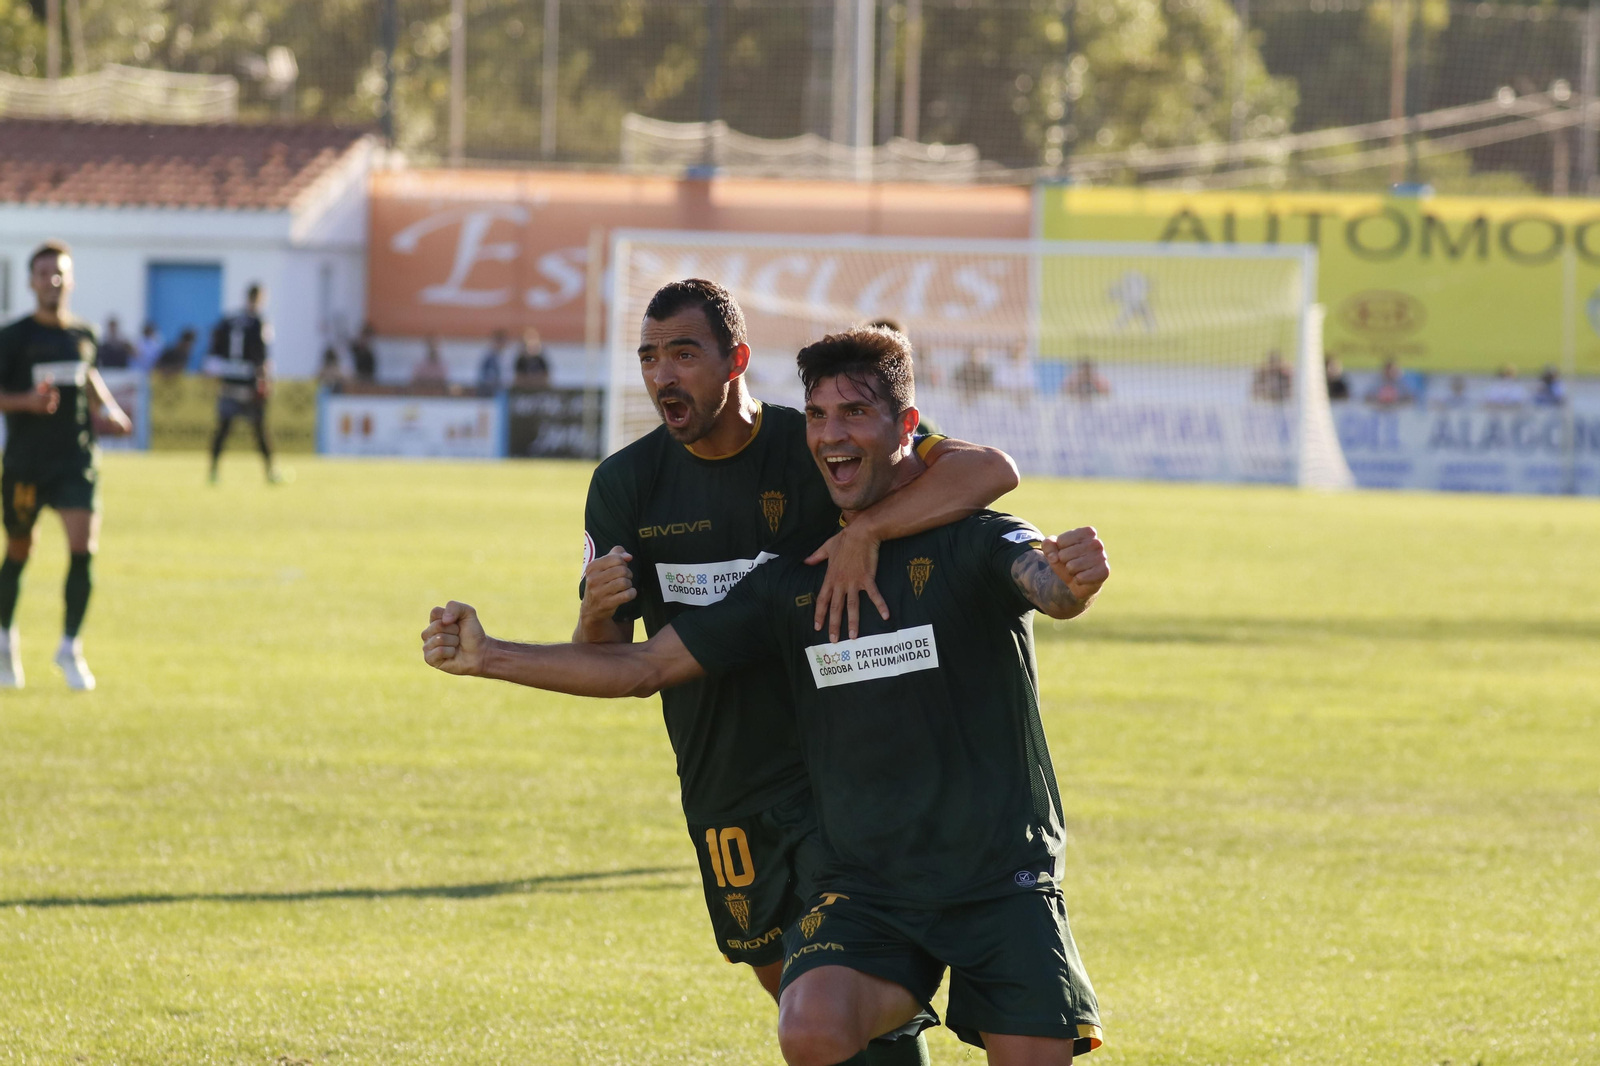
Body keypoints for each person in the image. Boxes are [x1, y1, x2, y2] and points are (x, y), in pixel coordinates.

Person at [423, 327, 1108, 1066]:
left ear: (907, 428)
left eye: (854, 414)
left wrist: (1067, 582)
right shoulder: (789, 583)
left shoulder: (974, 541)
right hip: (869, 888)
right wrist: (489, 655)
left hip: (996, 878)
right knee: (808, 1024)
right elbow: (643, 666)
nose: (830, 435)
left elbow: (1043, 584)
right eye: (817, 416)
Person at [572, 281, 1018, 1064]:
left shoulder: (814, 444)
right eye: (649, 357)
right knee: (799, 998)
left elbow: (985, 472)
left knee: (847, 997)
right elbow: (613, 657)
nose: (663, 374)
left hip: (834, 771)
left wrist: (868, 529)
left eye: (683, 353)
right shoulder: (624, 484)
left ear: (735, 360)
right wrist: (592, 615)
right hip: (720, 775)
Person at [0, 241, 134, 690]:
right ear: (31, 282)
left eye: (59, 274)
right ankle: (4, 640)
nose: (51, 281)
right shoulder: (14, 337)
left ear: (69, 280)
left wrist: (110, 411)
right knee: (20, 550)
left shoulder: (84, 334)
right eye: (43, 274)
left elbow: (89, 377)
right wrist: (27, 403)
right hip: (26, 462)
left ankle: (69, 647)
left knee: (84, 546)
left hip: (75, 459)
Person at [206, 284, 279, 484]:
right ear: (260, 298)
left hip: (228, 383)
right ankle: (271, 472)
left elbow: (213, 352)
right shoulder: (260, 322)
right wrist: (265, 381)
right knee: (259, 430)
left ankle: (212, 471)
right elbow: (262, 355)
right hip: (249, 384)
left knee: (223, 429)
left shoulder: (228, 320)